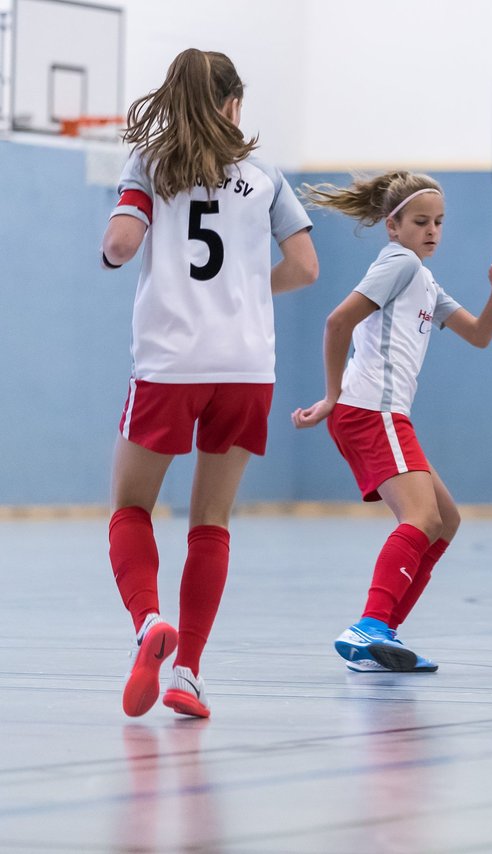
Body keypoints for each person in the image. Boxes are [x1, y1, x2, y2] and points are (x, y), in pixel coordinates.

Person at [101, 49, 318, 719]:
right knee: (211, 523)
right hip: (248, 369)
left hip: (170, 367)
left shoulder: (151, 165)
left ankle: (147, 623)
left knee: (131, 508)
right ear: (232, 105)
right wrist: (248, 290)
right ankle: (188, 672)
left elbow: (120, 245)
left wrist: (119, 239)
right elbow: (305, 267)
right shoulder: (265, 176)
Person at [291, 171, 492, 672]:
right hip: (371, 409)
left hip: (384, 414)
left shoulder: (424, 279)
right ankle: (369, 625)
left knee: (445, 522)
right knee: (422, 519)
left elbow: (478, 335)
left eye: (439, 222)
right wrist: (332, 395)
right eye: (420, 221)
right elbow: (336, 322)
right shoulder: (399, 261)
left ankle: (382, 636)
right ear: (393, 226)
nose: (432, 230)